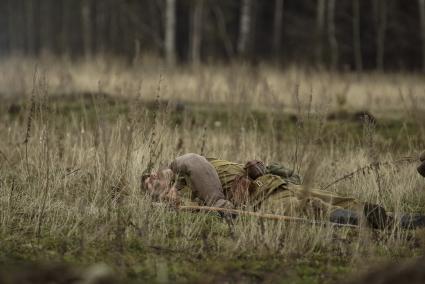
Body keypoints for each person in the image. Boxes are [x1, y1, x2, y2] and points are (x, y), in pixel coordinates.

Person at [142, 153, 425, 229]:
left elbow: (191, 160)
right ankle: (401, 223)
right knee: (328, 210)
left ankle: (395, 221)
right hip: (276, 194)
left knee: (340, 204)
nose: (154, 185)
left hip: (273, 192)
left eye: (152, 180)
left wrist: (219, 203)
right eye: (153, 192)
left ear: (159, 174)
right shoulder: (189, 199)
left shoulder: (183, 168)